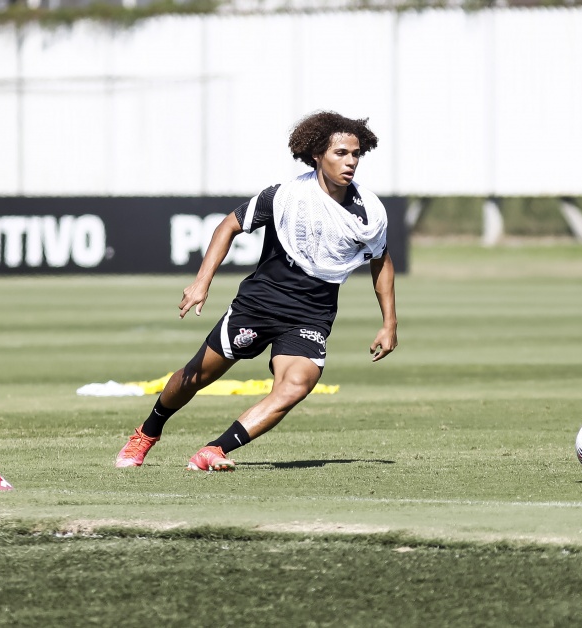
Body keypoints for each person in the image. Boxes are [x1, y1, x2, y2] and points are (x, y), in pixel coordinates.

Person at [115, 111, 397, 472]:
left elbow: (381, 260)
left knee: (296, 385)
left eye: (356, 153)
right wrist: (202, 282)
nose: (351, 161)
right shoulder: (285, 196)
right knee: (197, 376)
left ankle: (213, 450)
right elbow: (228, 226)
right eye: (341, 153)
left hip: (312, 313)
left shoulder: (369, 212)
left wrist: (389, 322)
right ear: (316, 155)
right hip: (260, 304)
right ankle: (147, 432)